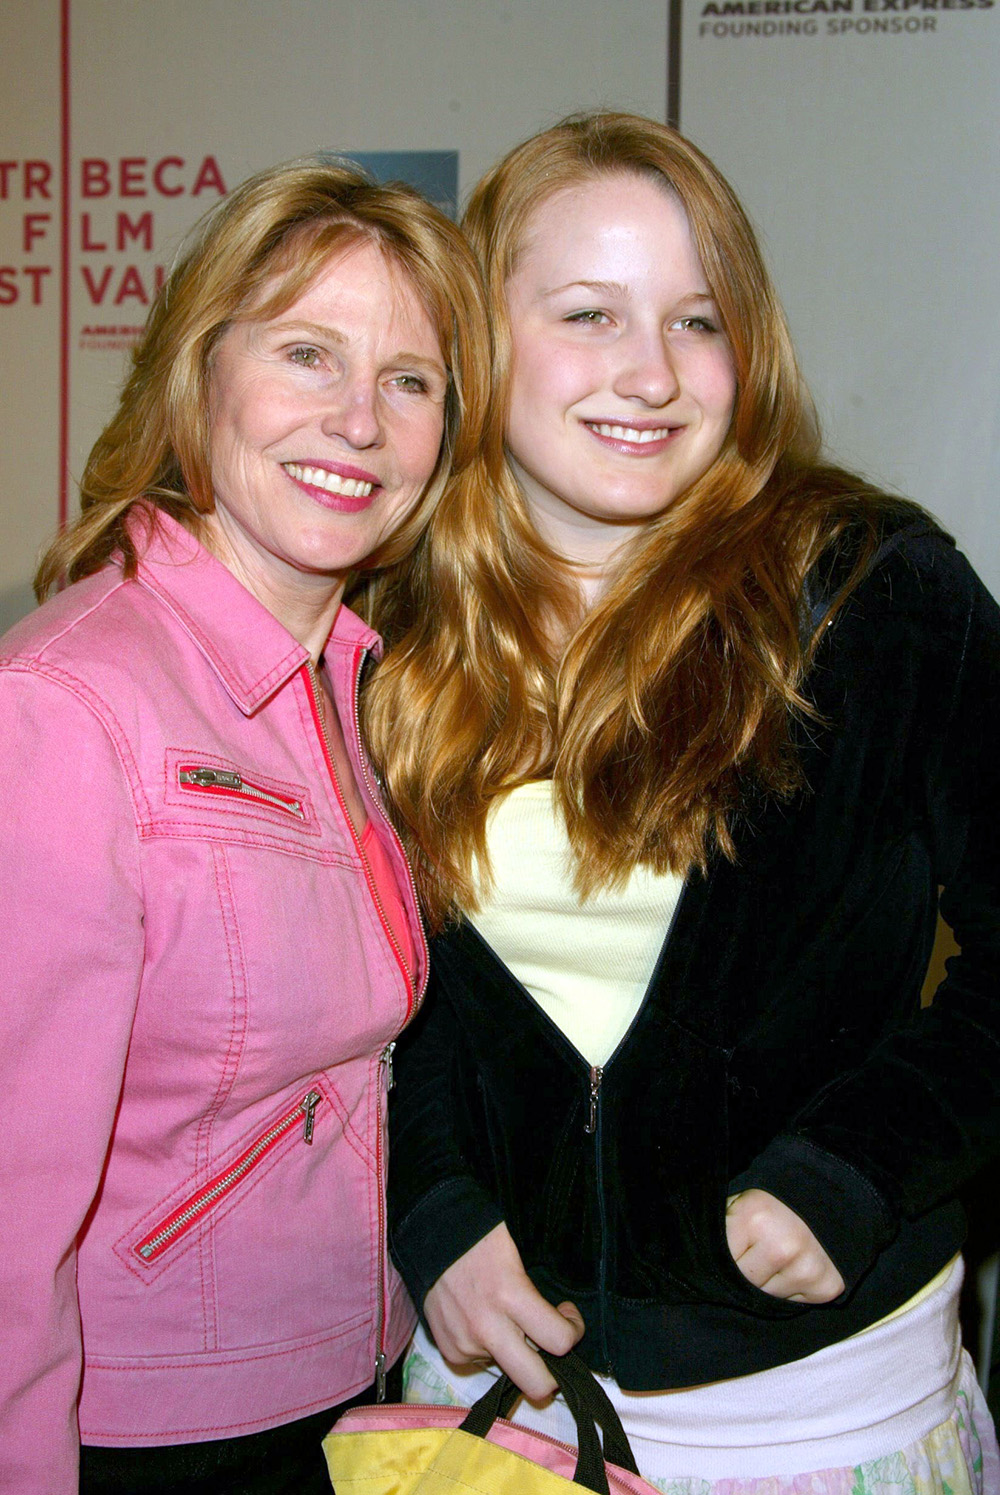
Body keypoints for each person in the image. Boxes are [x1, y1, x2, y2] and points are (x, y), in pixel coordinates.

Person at [363, 113, 1000, 1493]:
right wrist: (430, 1208)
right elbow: (369, 998)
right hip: (483, 1424)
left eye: (697, 320)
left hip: (825, 1430)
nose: (650, 374)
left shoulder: (879, 595)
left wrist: (862, 1162)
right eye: (589, 313)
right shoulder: (381, 634)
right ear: (479, 340)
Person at [0, 157, 489, 1494]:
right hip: (144, 1437)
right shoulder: (67, 707)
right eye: (308, 354)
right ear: (197, 374)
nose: (360, 421)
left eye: (411, 381)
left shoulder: (348, 682)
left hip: (332, 1388)